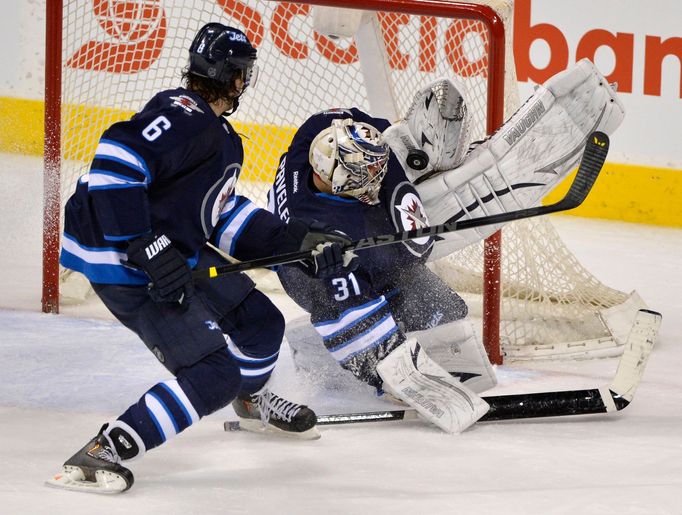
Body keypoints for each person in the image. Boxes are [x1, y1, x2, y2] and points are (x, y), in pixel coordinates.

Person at [47, 23, 357, 494]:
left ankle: (249, 403)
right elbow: (115, 158)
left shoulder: (218, 135)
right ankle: (103, 451)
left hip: (165, 250)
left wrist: (296, 245)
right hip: (124, 259)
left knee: (259, 323)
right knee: (214, 375)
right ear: (237, 78)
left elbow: (222, 217)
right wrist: (143, 246)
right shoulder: (186, 115)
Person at [268, 107, 496, 433]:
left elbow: (357, 120)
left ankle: (317, 343)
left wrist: (399, 158)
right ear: (341, 178)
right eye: (367, 176)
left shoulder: (316, 133)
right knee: (355, 296)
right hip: (305, 270)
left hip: (330, 245)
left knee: (442, 309)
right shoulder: (331, 224)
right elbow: (400, 258)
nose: (375, 181)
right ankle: (383, 371)